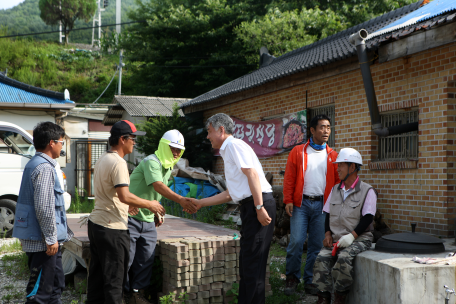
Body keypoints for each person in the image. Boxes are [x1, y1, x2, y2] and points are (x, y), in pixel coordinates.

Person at [187, 113, 276, 304]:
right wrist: (201, 203)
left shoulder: (234, 145)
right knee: (248, 264)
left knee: (252, 265)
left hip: (257, 204)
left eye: (209, 131)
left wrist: (259, 207)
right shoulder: (227, 151)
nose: (207, 136)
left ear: (221, 130)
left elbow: (252, 174)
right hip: (251, 205)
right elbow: (230, 194)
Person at [86, 120, 166, 304]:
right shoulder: (119, 162)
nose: (134, 142)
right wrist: (150, 204)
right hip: (112, 229)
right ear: (122, 139)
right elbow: (124, 195)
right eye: (132, 138)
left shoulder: (104, 158)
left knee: (97, 280)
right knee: (115, 282)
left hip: (96, 225)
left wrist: (127, 205)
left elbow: (110, 193)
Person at [125, 130, 198, 303]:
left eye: (180, 150)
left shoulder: (168, 167)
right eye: (173, 148)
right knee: (126, 258)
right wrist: (180, 199)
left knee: (146, 259)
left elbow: (154, 193)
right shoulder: (152, 161)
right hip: (130, 215)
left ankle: (137, 293)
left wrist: (156, 211)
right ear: (164, 146)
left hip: (148, 219)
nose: (176, 153)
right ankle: (122, 294)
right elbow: (157, 186)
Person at [13, 121, 73, 304]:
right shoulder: (45, 168)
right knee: (40, 294)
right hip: (44, 244)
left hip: (43, 241)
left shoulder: (34, 163)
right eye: (61, 142)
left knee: (55, 286)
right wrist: (51, 238)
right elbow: (44, 207)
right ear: (51, 143)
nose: (62, 146)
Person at [283, 114, 340, 296]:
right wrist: (288, 200)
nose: (326, 131)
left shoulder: (333, 155)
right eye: (322, 127)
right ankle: (292, 279)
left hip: (322, 206)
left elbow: (338, 183)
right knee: (297, 241)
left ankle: (310, 281)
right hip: (301, 204)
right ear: (312, 130)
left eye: (328, 127)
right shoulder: (298, 152)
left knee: (316, 245)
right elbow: (289, 178)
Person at [313, 148, 377, 304]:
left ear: (352, 167)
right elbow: (328, 213)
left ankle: (340, 297)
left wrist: (352, 236)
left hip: (359, 238)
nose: (338, 168)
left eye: (341, 165)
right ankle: (323, 296)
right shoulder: (335, 189)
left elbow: (368, 218)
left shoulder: (367, 191)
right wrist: (328, 234)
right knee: (321, 258)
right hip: (336, 238)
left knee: (343, 258)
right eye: (337, 165)